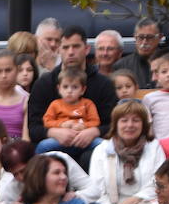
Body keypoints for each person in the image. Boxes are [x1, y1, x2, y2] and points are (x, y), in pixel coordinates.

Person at [28, 28, 117, 164]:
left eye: (76, 46)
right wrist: (54, 132)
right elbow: (33, 127)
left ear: (86, 49)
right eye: (66, 47)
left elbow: (112, 123)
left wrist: (94, 131)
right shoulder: (44, 83)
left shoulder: (103, 84)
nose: (70, 52)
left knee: (100, 152)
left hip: (90, 145)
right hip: (54, 145)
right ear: (58, 50)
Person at [82, 98, 164, 204]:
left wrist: (130, 202)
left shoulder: (154, 147)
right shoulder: (102, 150)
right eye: (124, 121)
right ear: (116, 124)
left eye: (136, 120)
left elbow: (158, 183)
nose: (129, 125)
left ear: (143, 125)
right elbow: (97, 189)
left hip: (143, 202)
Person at [37, 67, 101, 155]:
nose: (69, 91)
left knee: (102, 144)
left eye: (74, 87)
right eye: (65, 87)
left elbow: (95, 121)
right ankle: (37, 167)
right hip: (60, 139)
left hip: (83, 138)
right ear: (59, 88)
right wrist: (61, 125)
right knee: (43, 145)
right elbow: (47, 121)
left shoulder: (88, 104)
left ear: (82, 90)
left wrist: (84, 126)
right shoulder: (55, 104)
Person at [115, 18, 164, 88]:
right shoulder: (122, 66)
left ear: (160, 37)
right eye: (140, 37)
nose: (144, 42)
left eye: (149, 37)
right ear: (135, 37)